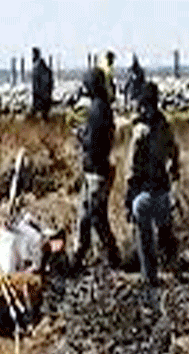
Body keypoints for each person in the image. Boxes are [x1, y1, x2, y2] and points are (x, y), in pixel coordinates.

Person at [123, 84, 180, 284]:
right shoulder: (164, 125)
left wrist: (128, 198)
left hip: (144, 191)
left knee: (145, 236)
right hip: (162, 189)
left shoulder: (140, 131)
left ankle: (149, 275)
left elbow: (131, 168)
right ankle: (172, 267)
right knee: (165, 231)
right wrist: (174, 175)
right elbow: (174, 153)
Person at [70, 65, 121, 271]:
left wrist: (79, 134)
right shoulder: (101, 107)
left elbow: (92, 142)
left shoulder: (98, 110)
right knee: (85, 215)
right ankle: (78, 257)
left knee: (96, 217)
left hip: (97, 172)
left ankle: (113, 257)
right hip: (94, 170)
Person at [29, 47, 53, 119]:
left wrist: (42, 94)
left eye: (33, 54)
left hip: (41, 96)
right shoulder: (38, 66)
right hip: (38, 95)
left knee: (42, 116)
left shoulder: (41, 66)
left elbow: (44, 81)